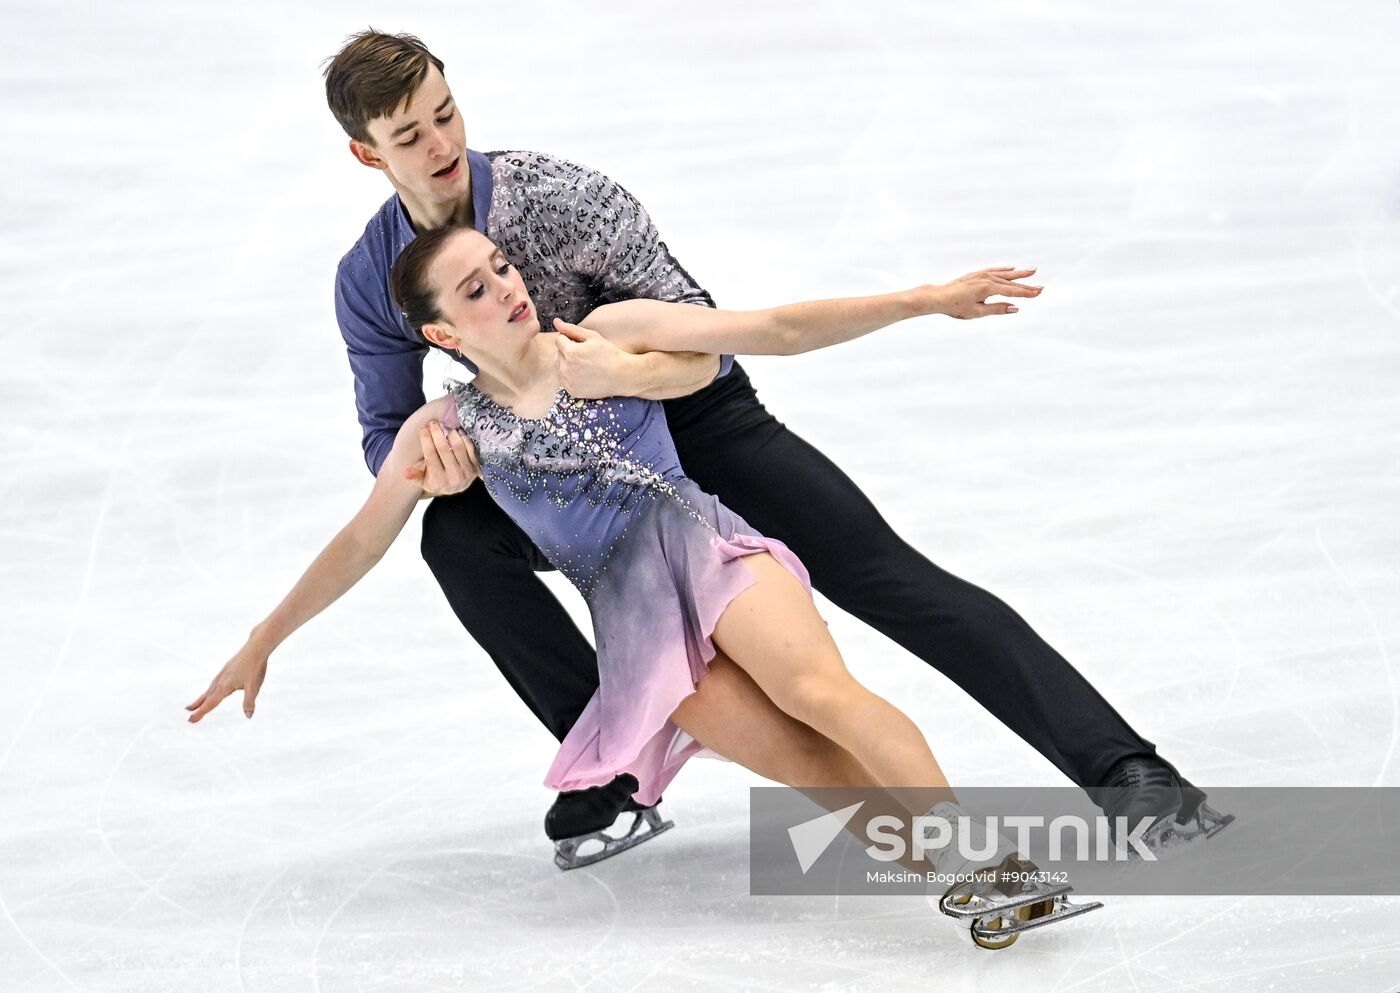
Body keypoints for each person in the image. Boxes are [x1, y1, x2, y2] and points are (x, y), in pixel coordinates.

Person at [317, 30, 1228, 863]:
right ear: (368, 153)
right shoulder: (372, 279)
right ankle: (613, 757)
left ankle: (1124, 770)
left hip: (691, 415)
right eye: (409, 135)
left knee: (887, 577)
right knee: (454, 539)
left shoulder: (561, 197)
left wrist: (626, 374)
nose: (440, 144)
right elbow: (385, 435)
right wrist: (442, 473)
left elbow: (708, 338)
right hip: (572, 477)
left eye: (446, 114)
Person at [186, 224, 1102, 945]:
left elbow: (771, 330)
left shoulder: (604, 334)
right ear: (441, 334)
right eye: (475, 289)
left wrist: (924, 299)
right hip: (638, 626)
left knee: (819, 692)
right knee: (802, 764)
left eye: (501, 267)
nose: (506, 287)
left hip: (707, 551)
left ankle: (986, 863)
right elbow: (361, 540)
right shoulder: (447, 429)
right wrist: (264, 637)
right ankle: (961, 881)